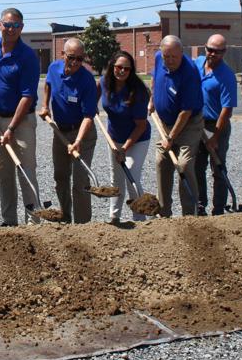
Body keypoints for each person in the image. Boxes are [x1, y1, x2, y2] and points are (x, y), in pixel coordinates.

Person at [0, 7, 41, 226]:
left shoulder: (28, 57)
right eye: (7, 24)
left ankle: (33, 221)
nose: (11, 29)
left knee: (25, 171)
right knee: (3, 174)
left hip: (21, 122)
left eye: (15, 26)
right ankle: (9, 221)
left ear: (21, 28)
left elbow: (27, 97)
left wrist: (11, 129)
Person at [38, 38, 98, 223]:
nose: (75, 62)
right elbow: (48, 84)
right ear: (62, 55)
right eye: (71, 57)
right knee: (61, 177)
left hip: (83, 134)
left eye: (80, 59)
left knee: (80, 182)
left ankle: (82, 225)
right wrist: (45, 105)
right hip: (60, 132)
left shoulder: (87, 80)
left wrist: (78, 141)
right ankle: (65, 216)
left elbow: (89, 117)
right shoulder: (54, 69)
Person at [148, 35, 204, 217]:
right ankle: (164, 212)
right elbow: (155, 78)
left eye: (174, 57)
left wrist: (171, 138)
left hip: (188, 125)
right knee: (161, 162)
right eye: (167, 57)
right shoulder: (159, 58)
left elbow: (186, 112)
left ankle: (190, 213)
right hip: (164, 122)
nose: (170, 61)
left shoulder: (190, 73)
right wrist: (152, 100)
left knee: (184, 165)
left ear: (182, 53)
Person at [100, 51, 151, 224]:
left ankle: (139, 218)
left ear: (131, 71)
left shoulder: (137, 92)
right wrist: (89, 106)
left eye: (126, 69)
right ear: (112, 66)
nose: (122, 71)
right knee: (116, 177)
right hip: (114, 137)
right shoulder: (104, 82)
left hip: (137, 138)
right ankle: (114, 217)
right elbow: (93, 97)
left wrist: (124, 149)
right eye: (118, 67)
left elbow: (141, 125)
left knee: (131, 175)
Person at [193, 34, 238, 216]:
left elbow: (227, 110)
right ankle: (200, 204)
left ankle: (218, 208)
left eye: (217, 51)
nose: (212, 54)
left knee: (218, 167)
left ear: (224, 52)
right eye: (209, 49)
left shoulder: (226, 76)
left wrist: (215, 137)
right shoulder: (199, 63)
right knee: (197, 166)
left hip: (216, 125)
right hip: (197, 123)